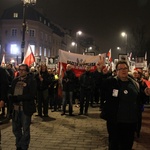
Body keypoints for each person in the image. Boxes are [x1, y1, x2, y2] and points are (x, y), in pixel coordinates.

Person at [101, 60, 144, 150]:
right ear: (116, 71)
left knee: (127, 145)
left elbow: (139, 99)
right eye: (120, 69)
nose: (123, 70)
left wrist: (145, 94)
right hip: (116, 122)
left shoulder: (134, 83)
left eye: (125, 68)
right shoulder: (111, 82)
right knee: (114, 145)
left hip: (131, 122)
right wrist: (103, 74)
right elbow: (100, 86)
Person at [9, 64, 37, 150]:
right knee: (15, 129)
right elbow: (11, 91)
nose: (21, 71)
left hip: (25, 108)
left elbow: (32, 95)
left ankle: (23, 146)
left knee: (25, 130)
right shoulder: (15, 80)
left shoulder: (31, 80)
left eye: (23, 70)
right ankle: (19, 145)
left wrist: (19, 98)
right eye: (19, 70)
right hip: (15, 109)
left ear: (27, 71)